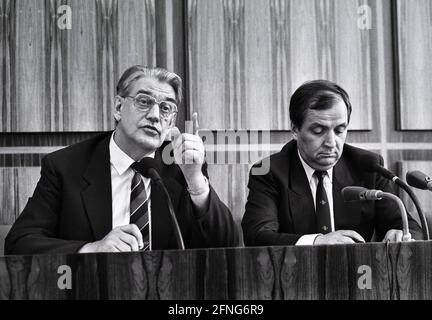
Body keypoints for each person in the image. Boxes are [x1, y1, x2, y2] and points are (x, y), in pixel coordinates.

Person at [5, 65, 238, 254]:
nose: (155, 116)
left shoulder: (182, 167)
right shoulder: (65, 167)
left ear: (172, 122)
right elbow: (20, 242)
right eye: (144, 102)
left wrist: (195, 179)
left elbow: (227, 245)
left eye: (166, 108)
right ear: (118, 107)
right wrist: (91, 249)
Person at [242, 80, 422, 246]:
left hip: (359, 274)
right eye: (318, 131)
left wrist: (400, 233)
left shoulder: (367, 166)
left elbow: (411, 228)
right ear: (295, 129)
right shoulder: (268, 172)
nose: (331, 142)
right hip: (294, 275)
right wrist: (317, 241)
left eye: (339, 130)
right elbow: (257, 235)